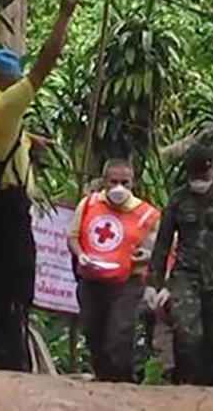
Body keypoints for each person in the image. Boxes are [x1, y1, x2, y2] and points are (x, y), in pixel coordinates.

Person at [0, 0, 79, 371]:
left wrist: (29, 139)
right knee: (11, 302)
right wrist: (64, 15)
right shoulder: (4, 109)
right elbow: (45, 65)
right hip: (6, 221)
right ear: (7, 81)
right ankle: (6, 377)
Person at [149, 146, 213, 386]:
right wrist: (155, 284)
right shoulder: (178, 201)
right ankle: (185, 382)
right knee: (187, 333)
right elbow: (162, 244)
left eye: (203, 176)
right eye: (195, 176)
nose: (200, 182)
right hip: (187, 275)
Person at [68, 159, 160, 382]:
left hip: (127, 283)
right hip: (92, 280)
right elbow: (73, 236)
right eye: (114, 182)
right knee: (92, 330)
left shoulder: (146, 214)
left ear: (133, 184)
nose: (119, 187)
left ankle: (121, 383)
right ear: (104, 182)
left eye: (125, 182)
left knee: (119, 334)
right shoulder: (89, 205)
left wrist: (147, 255)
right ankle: (103, 382)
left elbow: (158, 247)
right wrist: (80, 254)